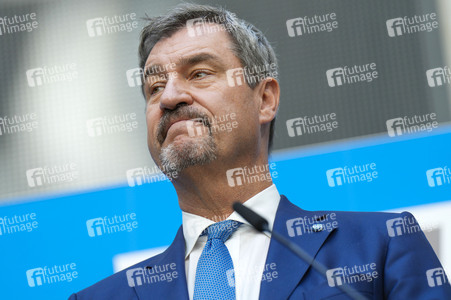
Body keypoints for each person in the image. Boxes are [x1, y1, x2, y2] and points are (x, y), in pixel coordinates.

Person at [69, 3, 451, 299]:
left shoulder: (380, 246)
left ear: (265, 99)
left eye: (199, 73)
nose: (169, 97)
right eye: (153, 88)